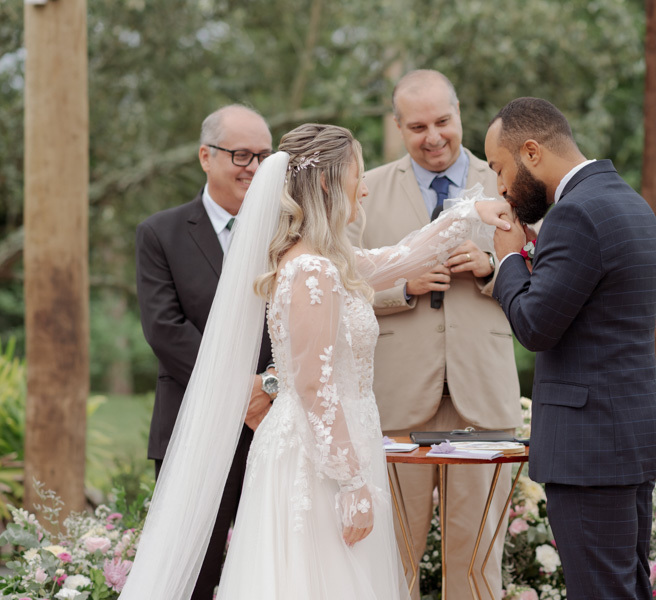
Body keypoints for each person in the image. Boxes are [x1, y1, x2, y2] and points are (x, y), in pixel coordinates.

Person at [121, 123, 513, 599]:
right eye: (357, 175)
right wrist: (351, 482)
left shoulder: (327, 259)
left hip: (335, 445)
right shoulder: (312, 270)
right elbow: (313, 387)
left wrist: (469, 211)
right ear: (327, 182)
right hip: (318, 461)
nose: (365, 187)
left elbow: (399, 257)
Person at [485, 97, 656, 600]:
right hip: (624, 437)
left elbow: (535, 326)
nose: (500, 186)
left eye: (499, 168)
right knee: (624, 588)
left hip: (590, 449)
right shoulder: (626, 200)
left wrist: (507, 262)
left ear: (531, 151)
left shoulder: (575, 214)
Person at [347, 69, 521, 599]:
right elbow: (337, 287)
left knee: (476, 562)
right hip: (397, 399)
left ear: (460, 112)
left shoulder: (509, 185)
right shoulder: (367, 189)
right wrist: (401, 286)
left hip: (482, 397)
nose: (434, 136)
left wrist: (494, 269)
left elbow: (547, 278)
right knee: (392, 555)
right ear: (398, 127)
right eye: (418, 125)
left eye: (443, 121)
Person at [134, 104, 278, 600]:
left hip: (274, 426)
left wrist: (271, 383)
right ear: (205, 156)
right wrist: (240, 389)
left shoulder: (289, 233)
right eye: (241, 154)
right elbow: (165, 329)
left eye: (263, 155)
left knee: (269, 569)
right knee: (192, 574)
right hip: (191, 428)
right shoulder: (161, 233)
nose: (254, 167)